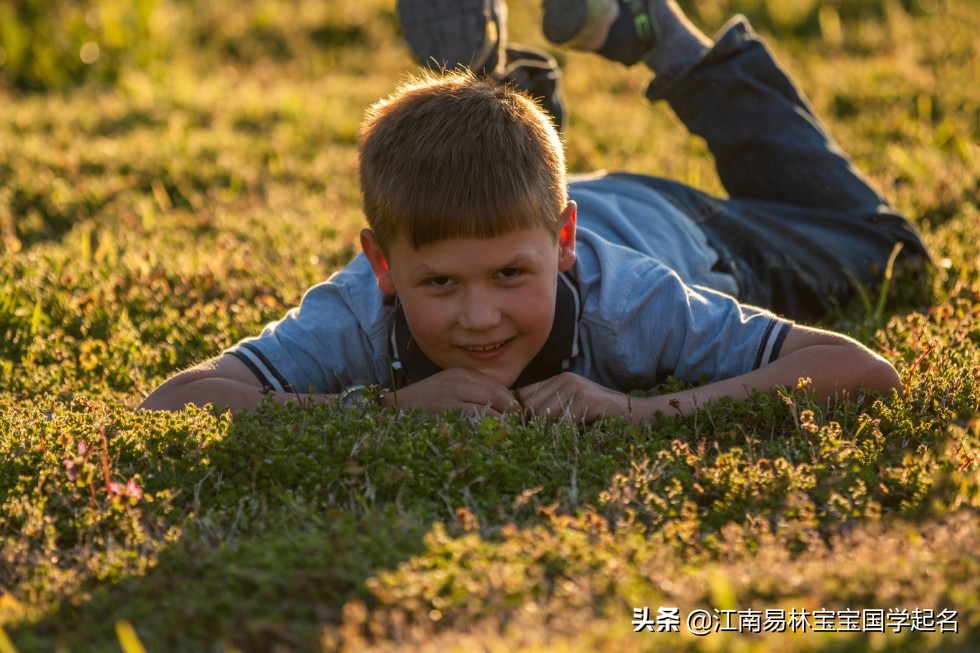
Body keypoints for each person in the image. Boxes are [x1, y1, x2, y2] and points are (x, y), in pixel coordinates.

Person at [139, 0, 931, 422]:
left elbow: (863, 371)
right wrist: (381, 408)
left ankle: (667, 39)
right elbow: (172, 401)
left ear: (563, 246)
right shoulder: (358, 309)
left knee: (891, 250)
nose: (478, 316)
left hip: (685, 230)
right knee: (501, 194)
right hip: (527, 204)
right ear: (382, 264)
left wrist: (637, 412)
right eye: (440, 283)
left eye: (508, 275)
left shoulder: (631, 302)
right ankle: (480, 87)